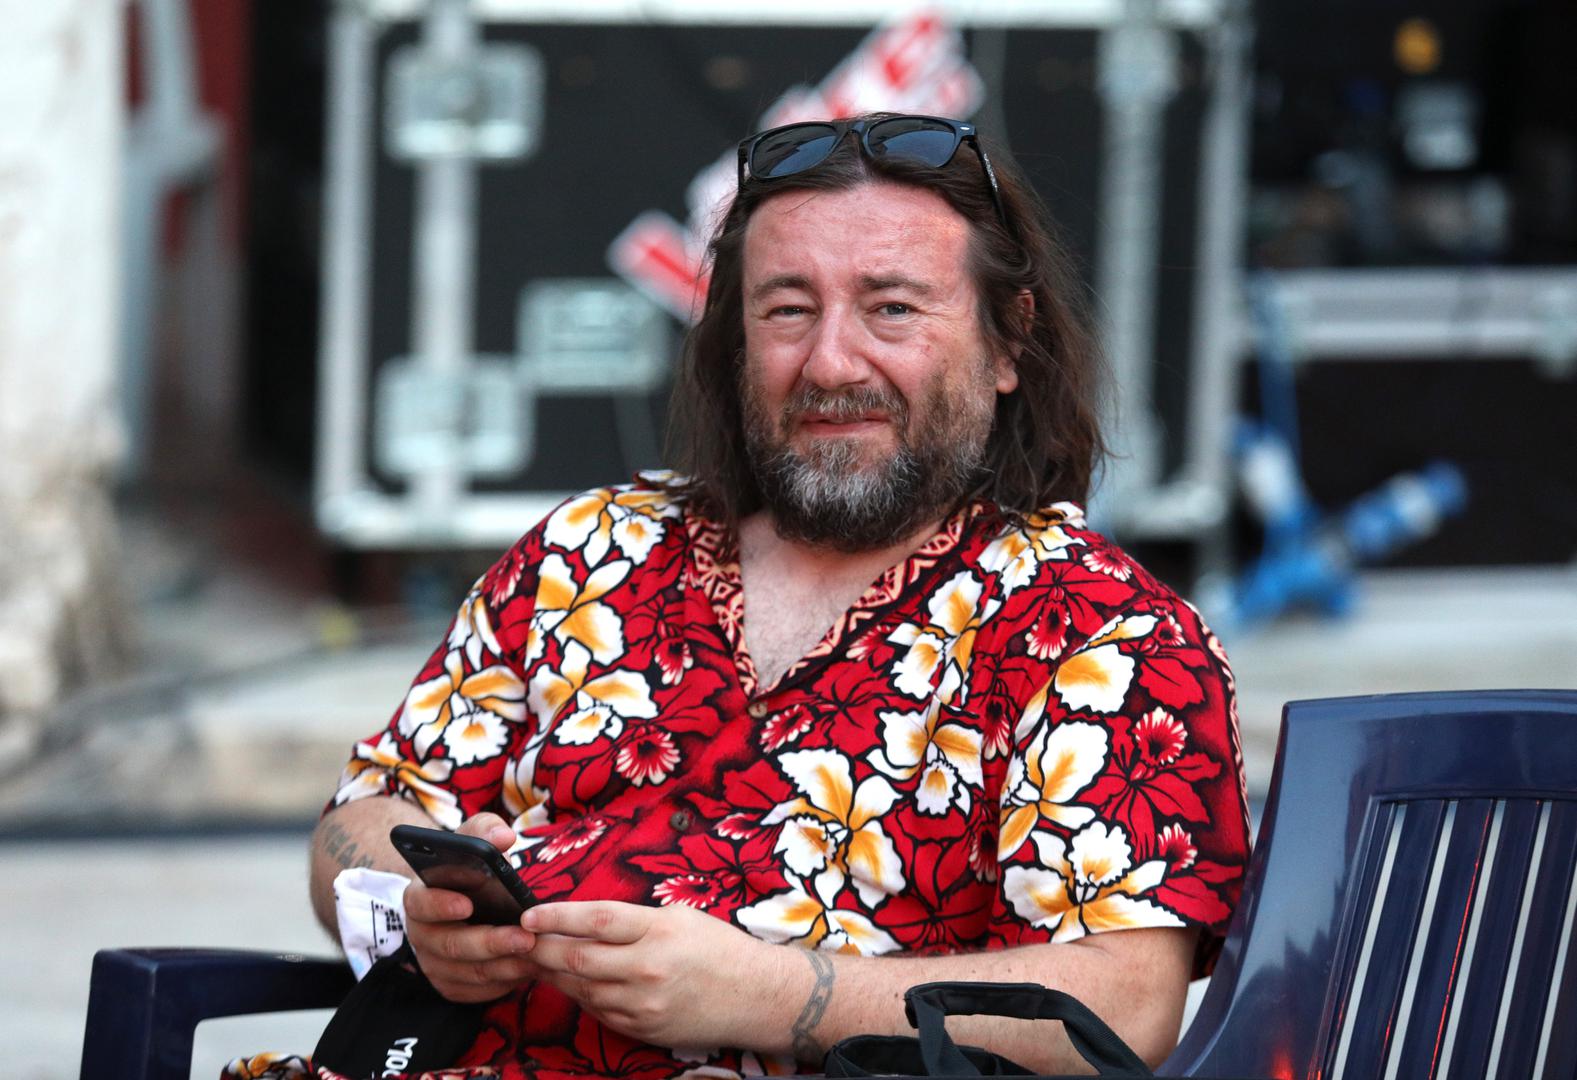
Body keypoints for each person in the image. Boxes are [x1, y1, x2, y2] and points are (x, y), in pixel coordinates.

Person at [304, 113, 1250, 1079]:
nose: (831, 363)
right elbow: (359, 819)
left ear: (1008, 342)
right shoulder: (587, 553)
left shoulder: (1099, 632)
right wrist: (420, 912)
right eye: (788, 311)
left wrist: (775, 995)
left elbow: (1124, 1009)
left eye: (891, 309)